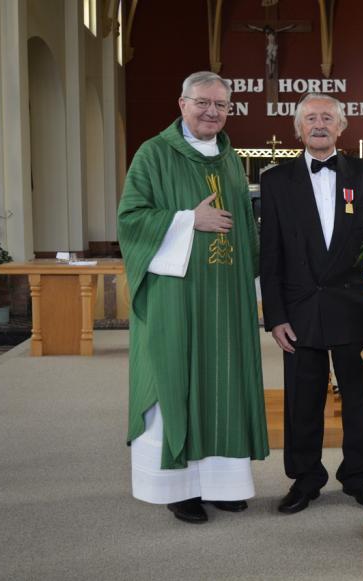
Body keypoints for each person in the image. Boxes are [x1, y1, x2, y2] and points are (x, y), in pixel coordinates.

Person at [118, 71, 269, 524]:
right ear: (182, 103)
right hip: (175, 294)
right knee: (176, 378)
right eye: (202, 102)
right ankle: (178, 488)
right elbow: (130, 218)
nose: (211, 112)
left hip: (224, 295)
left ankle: (222, 483)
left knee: (224, 380)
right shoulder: (154, 153)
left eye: (220, 105)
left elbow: (245, 226)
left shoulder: (228, 158)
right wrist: (187, 221)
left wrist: (254, 282)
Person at [260, 93, 363, 514]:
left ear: (341, 127)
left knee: (358, 396)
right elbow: (271, 253)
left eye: (327, 118)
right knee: (302, 397)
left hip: (354, 303)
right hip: (300, 309)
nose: (318, 125)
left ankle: (358, 474)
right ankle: (305, 478)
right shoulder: (276, 180)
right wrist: (275, 315)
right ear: (298, 129)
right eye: (310, 118)